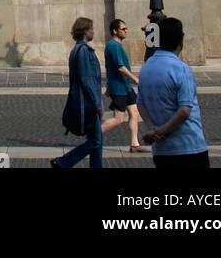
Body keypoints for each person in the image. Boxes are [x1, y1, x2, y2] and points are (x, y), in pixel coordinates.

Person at [137, 17, 209, 168]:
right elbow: (184, 111)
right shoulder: (182, 69)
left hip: (161, 151)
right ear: (180, 40)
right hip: (189, 146)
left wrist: (152, 129)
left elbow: (141, 104)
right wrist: (162, 131)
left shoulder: (146, 68)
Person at [52, 17, 103, 169]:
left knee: (97, 140)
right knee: (95, 141)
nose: (93, 31)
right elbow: (87, 79)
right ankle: (63, 162)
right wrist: (96, 103)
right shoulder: (83, 51)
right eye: (91, 29)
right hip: (87, 103)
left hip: (86, 101)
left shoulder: (77, 50)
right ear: (85, 31)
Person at [102, 18, 141, 150]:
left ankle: (134, 143)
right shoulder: (114, 46)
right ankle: (95, 135)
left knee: (134, 112)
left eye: (126, 28)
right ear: (115, 31)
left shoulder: (116, 45)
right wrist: (135, 79)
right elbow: (120, 67)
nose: (126, 31)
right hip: (119, 88)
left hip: (125, 87)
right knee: (119, 118)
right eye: (123, 29)